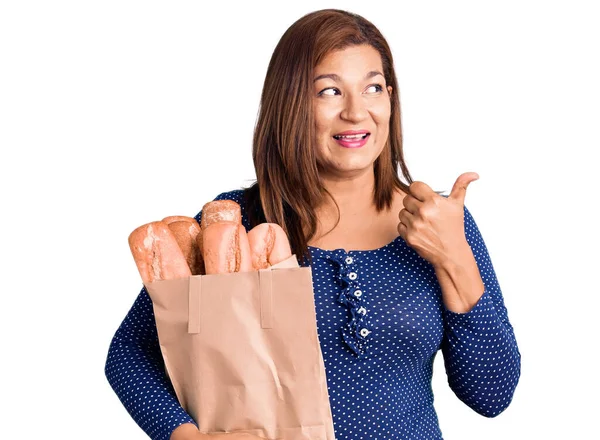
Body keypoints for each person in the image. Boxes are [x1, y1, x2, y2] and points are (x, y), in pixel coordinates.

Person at [105, 8, 521, 440]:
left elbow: (491, 395)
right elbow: (130, 354)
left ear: (391, 98)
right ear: (291, 104)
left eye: (373, 88)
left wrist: (455, 258)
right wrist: (185, 436)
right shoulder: (237, 224)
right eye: (329, 92)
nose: (356, 112)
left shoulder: (436, 220)